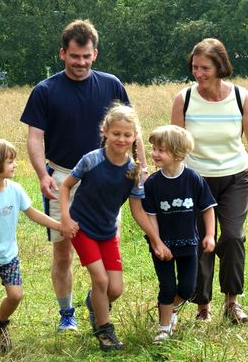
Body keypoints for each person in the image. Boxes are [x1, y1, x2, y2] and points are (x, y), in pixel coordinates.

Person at [20, 19, 147, 331]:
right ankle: (67, 315)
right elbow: (35, 137)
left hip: (107, 180)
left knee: (104, 250)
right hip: (63, 178)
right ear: (63, 53)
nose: (80, 63)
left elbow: (132, 130)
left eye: (86, 56)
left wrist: (140, 166)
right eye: (74, 56)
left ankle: (97, 304)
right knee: (63, 253)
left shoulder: (112, 85)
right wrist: (42, 175)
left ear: (95, 54)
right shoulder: (45, 91)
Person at [171, 38, 248, 324]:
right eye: (194, 67)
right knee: (203, 241)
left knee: (233, 236)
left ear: (220, 67)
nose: (198, 74)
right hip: (196, 180)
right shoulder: (184, 99)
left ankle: (232, 302)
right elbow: (176, 147)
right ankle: (203, 307)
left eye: (204, 68)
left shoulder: (241, 97)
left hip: (235, 178)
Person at [59, 104, 168, 351]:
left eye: (127, 135)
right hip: (82, 227)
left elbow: (137, 210)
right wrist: (66, 219)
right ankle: (104, 330)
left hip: (107, 232)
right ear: (105, 131)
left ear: (134, 137)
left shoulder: (134, 172)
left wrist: (156, 239)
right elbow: (65, 187)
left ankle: (94, 302)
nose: (121, 139)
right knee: (100, 279)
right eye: (116, 133)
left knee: (115, 289)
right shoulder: (91, 160)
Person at [0, 138, 71, 359]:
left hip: (8, 256)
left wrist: (60, 226)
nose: (15, 165)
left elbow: (33, 214)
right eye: (10, 161)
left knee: (16, 295)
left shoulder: (16, 190)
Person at [141, 125, 217, 342]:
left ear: (177, 154)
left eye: (160, 150)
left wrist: (210, 235)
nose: (154, 154)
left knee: (187, 288)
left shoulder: (193, 179)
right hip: (162, 247)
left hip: (189, 246)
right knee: (167, 287)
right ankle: (164, 328)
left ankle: (170, 309)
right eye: (153, 148)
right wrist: (157, 243)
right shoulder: (153, 184)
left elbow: (207, 208)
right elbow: (151, 215)